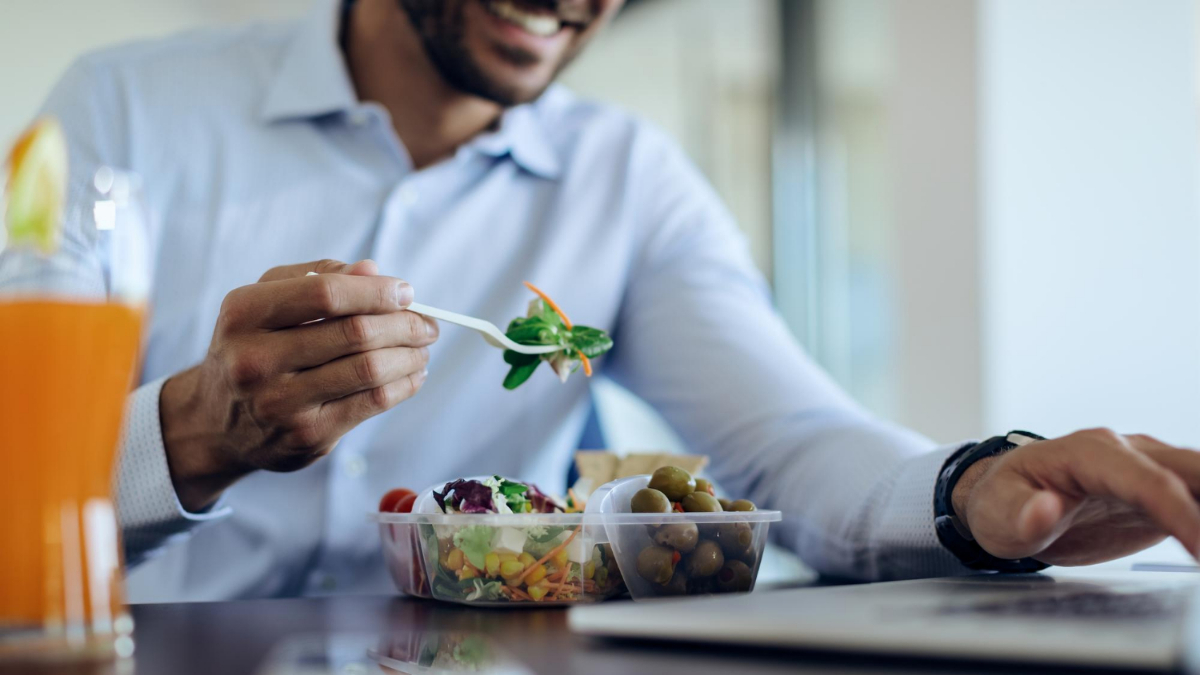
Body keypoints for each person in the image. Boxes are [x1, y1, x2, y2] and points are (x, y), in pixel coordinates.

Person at [23, 0, 1200, 601]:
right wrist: (193, 434)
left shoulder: (628, 180)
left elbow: (790, 440)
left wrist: (973, 491)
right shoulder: (124, 113)